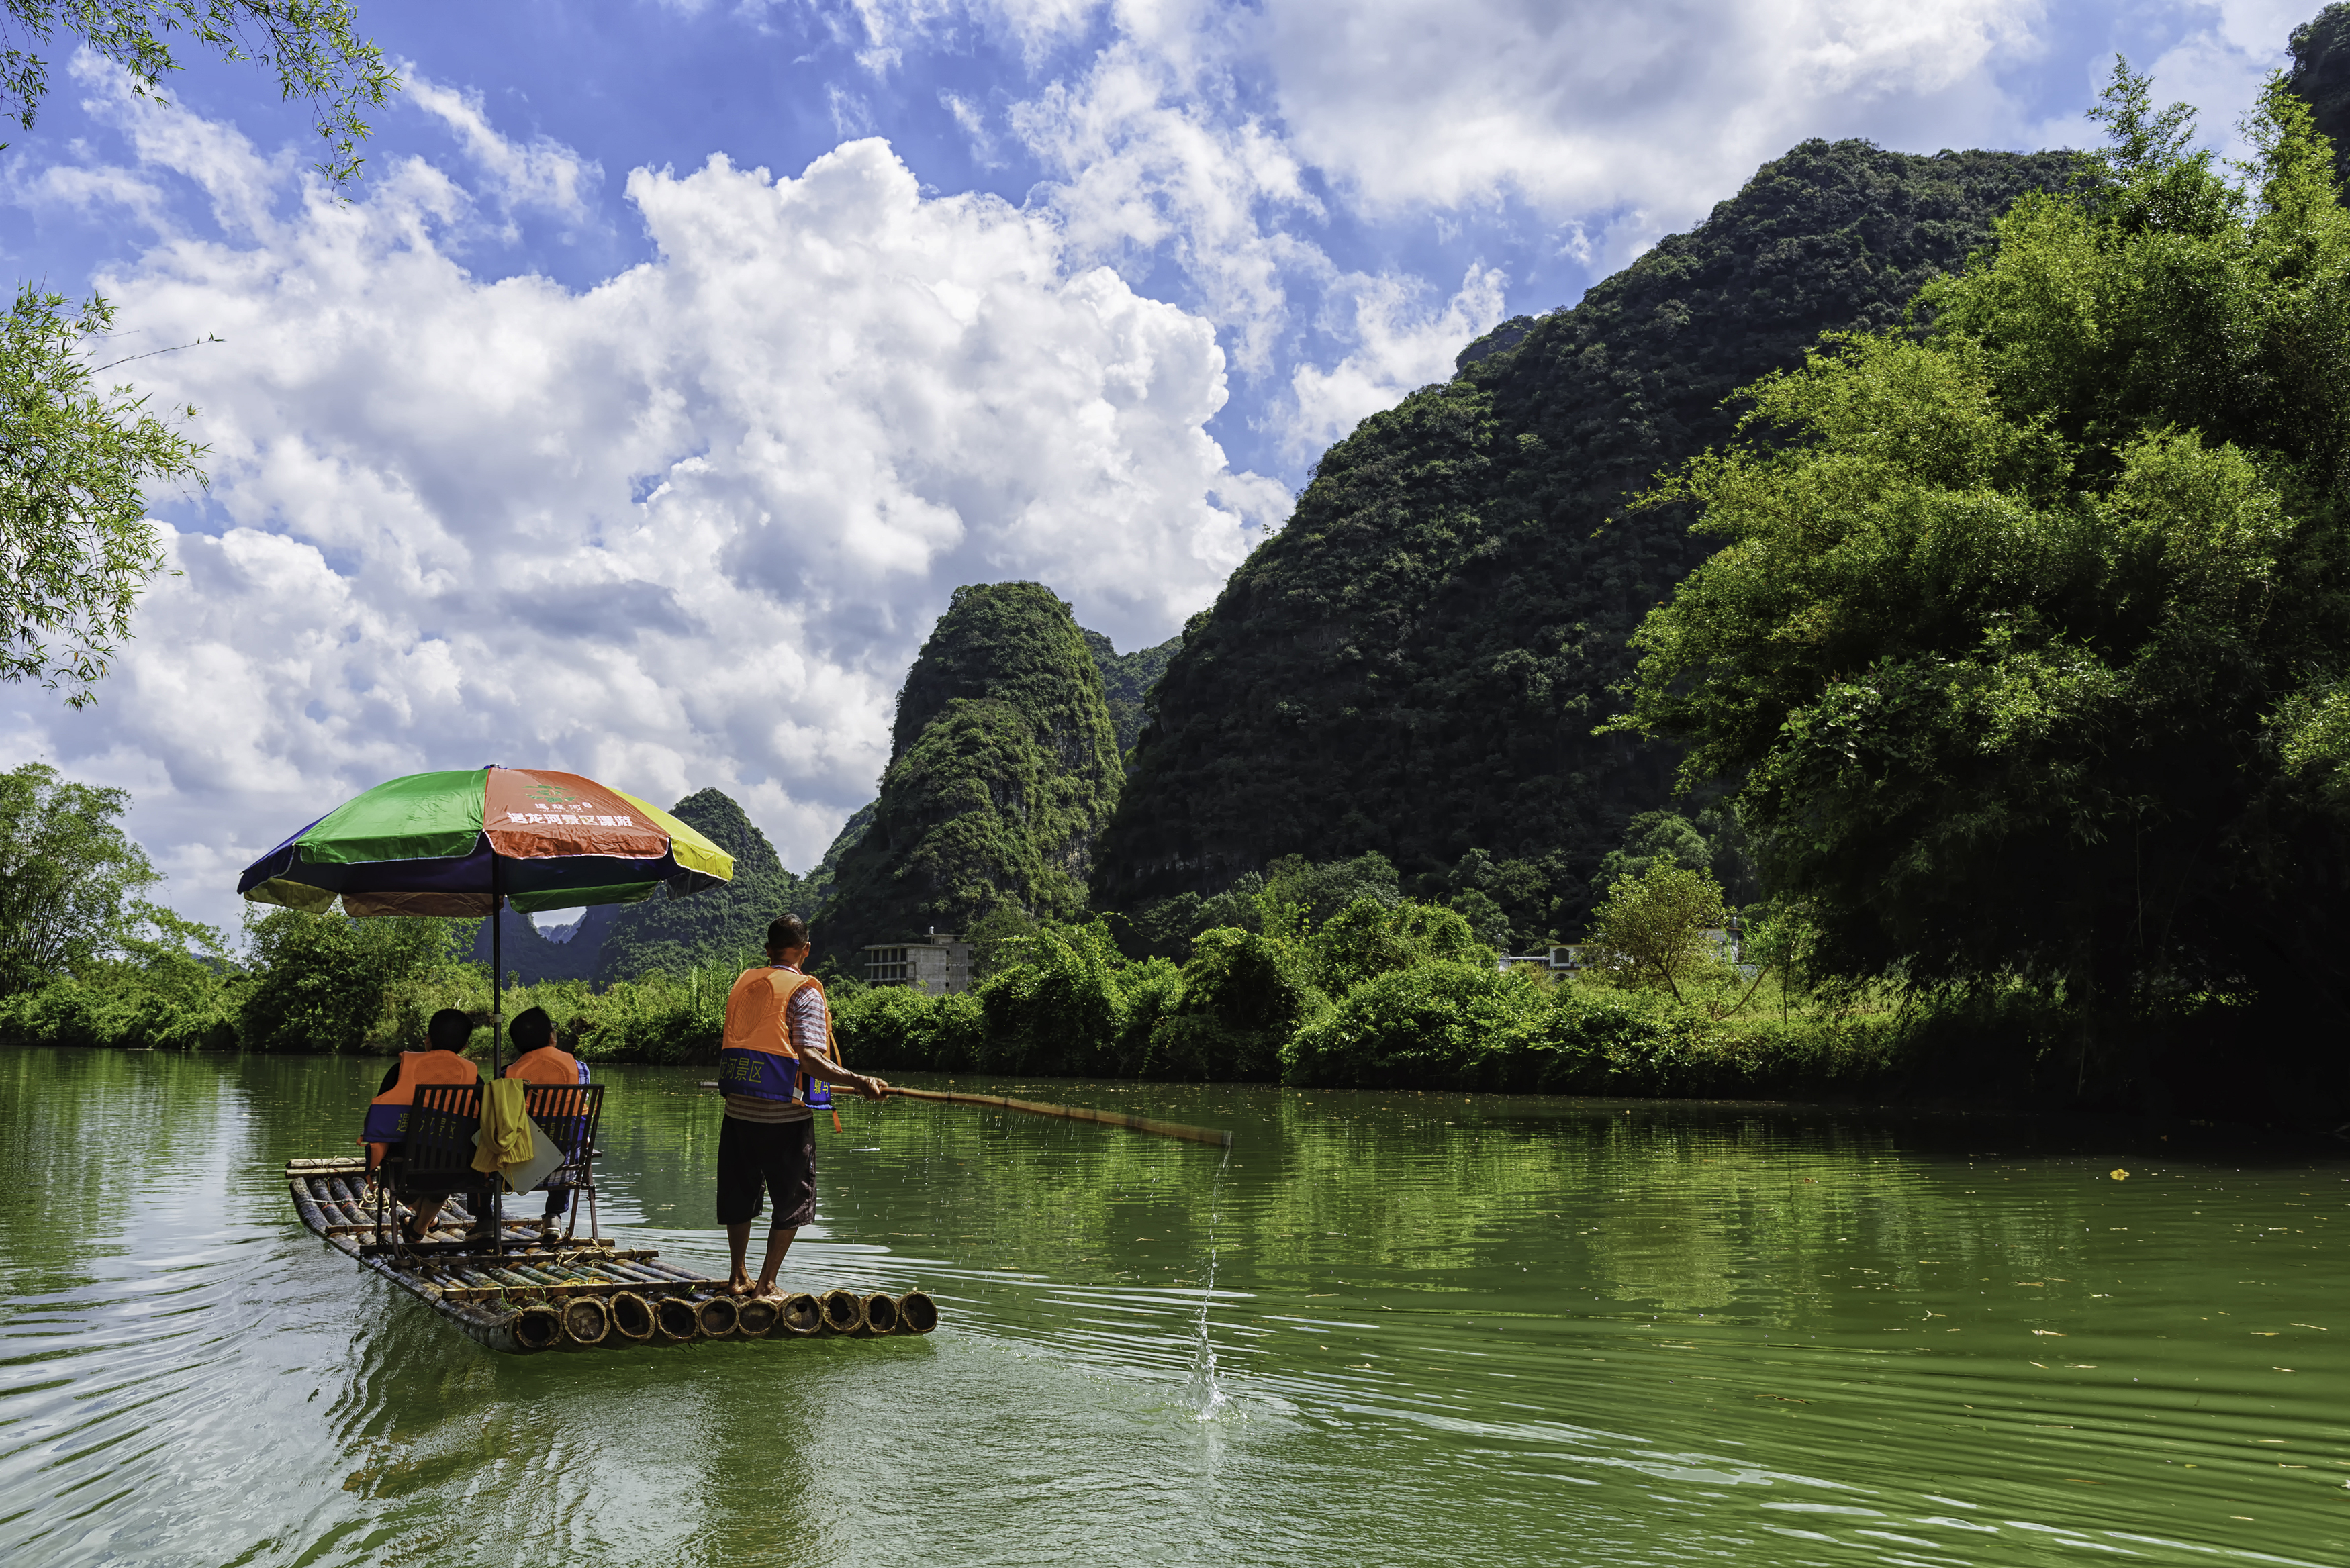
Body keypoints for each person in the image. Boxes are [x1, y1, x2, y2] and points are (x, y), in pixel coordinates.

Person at [715, 914, 888, 1297]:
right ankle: (766, 1283)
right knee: (793, 1199)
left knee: (738, 1193)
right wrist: (858, 1081)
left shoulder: (744, 984)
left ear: (768, 949)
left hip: (738, 1111)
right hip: (784, 1117)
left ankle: (737, 1277)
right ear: (805, 950)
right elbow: (809, 1058)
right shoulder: (803, 991)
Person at [363, 1008, 481, 1241]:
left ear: (428, 1039)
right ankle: (422, 1226)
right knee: (442, 1169)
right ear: (465, 1047)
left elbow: (378, 1117)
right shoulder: (473, 1077)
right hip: (455, 1167)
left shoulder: (401, 1070)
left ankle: (420, 1225)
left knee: (392, 1173)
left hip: (405, 1165)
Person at [503, 1006, 589, 1238]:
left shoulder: (508, 1074)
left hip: (516, 1169)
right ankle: (554, 1216)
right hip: (566, 1166)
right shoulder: (580, 1069)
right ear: (552, 1037)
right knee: (572, 1132)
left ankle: (484, 1219)